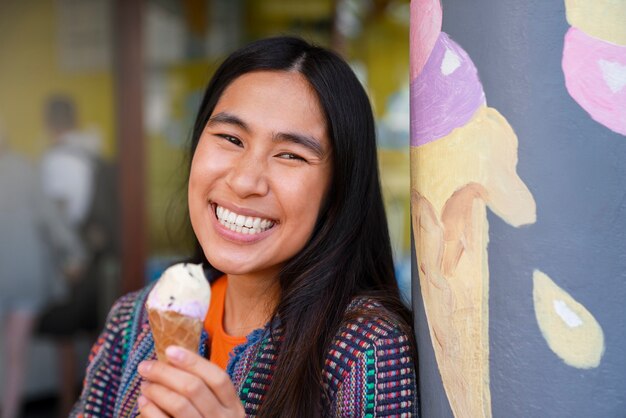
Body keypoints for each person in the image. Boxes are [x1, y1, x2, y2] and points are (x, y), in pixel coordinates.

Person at [71, 36, 418, 417]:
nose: (245, 181)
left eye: (290, 155)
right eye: (231, 138)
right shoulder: (134, 319)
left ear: (338, 189)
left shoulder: (365, 348)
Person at [0, 121, 85, 418]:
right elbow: (50, 218)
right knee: (15, 353)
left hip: (12, 275)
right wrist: (74, 253)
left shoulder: (23, 168)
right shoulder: (24, 168)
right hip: (26, 276)